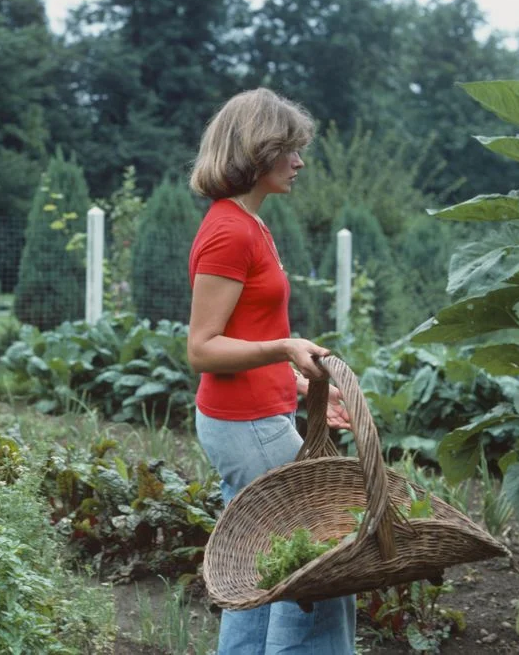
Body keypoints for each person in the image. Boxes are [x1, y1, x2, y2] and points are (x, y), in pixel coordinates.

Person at [186, 88, 355, 654]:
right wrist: (285, 348)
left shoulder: (249, 225)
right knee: (319, 568)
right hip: (246, 425)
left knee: (264, 572)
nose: (299, 162)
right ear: (257, 151)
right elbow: (203, 348)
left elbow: (248, 333)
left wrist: (299, 383)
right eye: (289, 149)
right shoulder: (230, 232)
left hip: (259, 414)